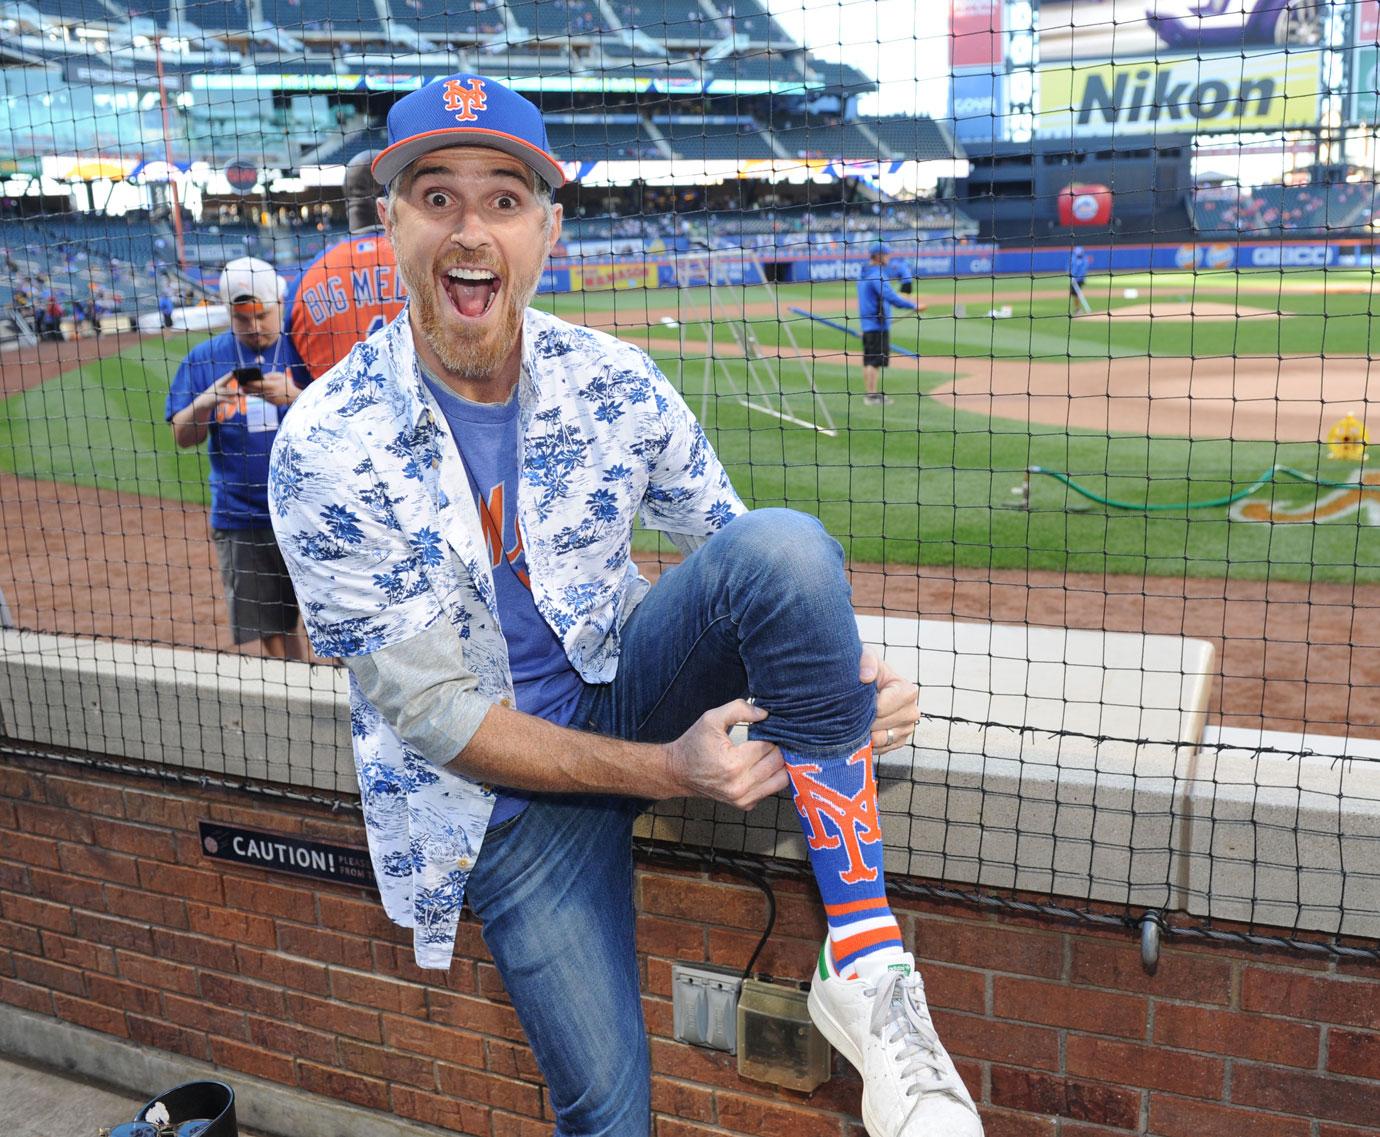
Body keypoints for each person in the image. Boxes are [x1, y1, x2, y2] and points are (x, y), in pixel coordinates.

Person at [268, 73, 983, 1137]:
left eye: (505, 201)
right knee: (608, 1116)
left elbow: (745, 563)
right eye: (437, 197)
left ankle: (869, 968)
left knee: (787, 546)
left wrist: (841, 685)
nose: (472, 230)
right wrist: (668, 773)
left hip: (625, 689)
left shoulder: (614, 379)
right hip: (497, 809)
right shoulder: (324, 444)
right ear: (390, 225)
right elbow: (437, 719)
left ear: (547, 230)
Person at [167, 257, 310, 661]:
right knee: (273, 630)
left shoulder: (305, 347)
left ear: (280, 303)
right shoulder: (203, 358)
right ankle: (297, 709)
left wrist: (297, 398)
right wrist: (207, 401)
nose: (254, 327)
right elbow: (183, 437)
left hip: (312, 512)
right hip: (242, 517)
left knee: (340, 626)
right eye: (241, 318)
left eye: (262, 316)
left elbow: (349, 425)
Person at [286, 150, 408, 379]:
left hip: (338, 413)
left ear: (346, 197)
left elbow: (301, 383)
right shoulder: (424, 264)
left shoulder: (307, 278)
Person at [856, 241, 921, 406]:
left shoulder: (863, 274)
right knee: (874, 362)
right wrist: (914, 305)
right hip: (877, 325)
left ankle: (871, 394)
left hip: (869, 324)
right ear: (878, 256)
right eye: (886, 255)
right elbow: (891, 297)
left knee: (869, 361)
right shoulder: (876, 275)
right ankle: (871, 396)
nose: (889, 258)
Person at [1069, 245, 1090, 314]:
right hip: (1073, 279)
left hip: (1080, 280)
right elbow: (1070, 267)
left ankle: (1078, 310)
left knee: (1076, 294)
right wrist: (1071, 276)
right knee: (1074, 294)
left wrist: (1077, 278)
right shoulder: (1073, 258)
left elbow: (1083, 271)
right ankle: (1077, 309)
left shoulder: (1084, 260)